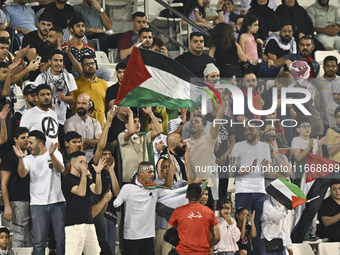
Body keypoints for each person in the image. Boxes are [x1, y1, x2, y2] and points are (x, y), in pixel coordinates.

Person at [13, 130, 66, 255]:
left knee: (61, 240)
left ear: (40, 144)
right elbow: (22, 173)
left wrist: (52, 155)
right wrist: (20, 158)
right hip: (37, 205)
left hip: (57, 202)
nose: (28, 145)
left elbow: (60, 170)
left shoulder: (56, 154)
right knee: (39, 241)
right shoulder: (28, 159)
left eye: (30, 143)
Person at [230, 121, 272, 254]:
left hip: (260, 192)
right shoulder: (238, 146)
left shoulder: (265, 147)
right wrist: (250, 168)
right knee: (241, 226)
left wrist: (265, 167)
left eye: (251, 129)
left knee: (258, 228)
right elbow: (233, 171)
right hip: (243, 192)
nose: (247, 132)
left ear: (259, 131)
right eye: (246, 129)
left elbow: (267, 170)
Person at [62, 150, 104, 254]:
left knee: (95, 252)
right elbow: (81, 192)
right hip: (74, 224)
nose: (84, 165)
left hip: (88, 221)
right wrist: (85, 175)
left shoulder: (85, 179)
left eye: (85, 162)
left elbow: (97, 191)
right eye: (81, 162)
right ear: (73, 164)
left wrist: (98, 173)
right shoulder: (67, 180)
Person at [34, 49, 77, 148]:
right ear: (50, 61)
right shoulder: (42, 77)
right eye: (55, 60)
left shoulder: (69, 77)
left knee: (61, 148)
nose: (58, 63)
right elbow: (36, 100)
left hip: (62, 120)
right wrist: (49, 98)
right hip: (45, 119)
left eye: (61, 61)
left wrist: (63, 98)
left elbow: (72, 99)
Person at [166, 183, 221, 255]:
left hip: (182, 252)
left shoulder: (178, 211)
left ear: (186, 195)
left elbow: (169, 232)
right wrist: (206, 246)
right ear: (200, 196)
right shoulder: (209, 212)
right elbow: (217, 237)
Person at [0, 127, 31, 247]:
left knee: (30, 235)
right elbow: (3, 183)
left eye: (28, 137)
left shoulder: (31, 155)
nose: (26, 140)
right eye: (23, 138)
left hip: (32, 200)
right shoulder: (9, 157)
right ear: (15, 139)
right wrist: (7, 206)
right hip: (17, 201)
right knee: (18, 235)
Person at [61, 13, 111, 82]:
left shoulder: (90, 49)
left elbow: (95, 68)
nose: (81, 28)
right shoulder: (64, 48)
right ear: (71, 29)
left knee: (105, 72)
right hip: (71, 78)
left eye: (83, 26)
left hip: (87, 75)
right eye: (78, 26)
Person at [119, 107, 163, 183]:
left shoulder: (144, 137)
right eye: (134, 122)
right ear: (127, 125)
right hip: (129, 180)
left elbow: (159, 130)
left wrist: (150, 113)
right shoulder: (121, 136)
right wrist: (130, 114)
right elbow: (131, 132)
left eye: (139, 121)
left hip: (144, 180)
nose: (137, 124)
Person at [64, 93, 102, 162]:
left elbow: (100, 143)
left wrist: (84, 140)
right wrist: (94, 143)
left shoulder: (95, 122)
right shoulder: (69, 122)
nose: (80, 106)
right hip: (77, 161)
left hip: (94, 160)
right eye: (78, 103)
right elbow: (74, 146)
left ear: (89, 105)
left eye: (84, 103)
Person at [20, 84, 59, 148]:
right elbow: (23, 137)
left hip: (54, 154)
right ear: (36, 97)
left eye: (48, 94)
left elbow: (55, 136)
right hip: (37, 155)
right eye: (42, 95)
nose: (46, 97)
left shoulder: (53, 114)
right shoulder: (28, 114)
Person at [74, 54, 109, 127]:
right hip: (81, 126)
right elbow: (73, 106)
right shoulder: (76, 84)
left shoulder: (103, 84)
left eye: (93, 63)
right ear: (82, 67)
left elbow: (107, 107)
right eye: (87, 64)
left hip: (100, 126)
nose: (91, 66)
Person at [21, 12, 53, 81]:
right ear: (38, 24)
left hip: (51, 76)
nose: (45, 27)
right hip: (33, 76)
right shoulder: (29, 37)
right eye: (43, 24)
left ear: (52, 27)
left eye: (49, 25)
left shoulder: (53, 39)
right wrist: (50, 58)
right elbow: (33, 59)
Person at [312, 56, 339, 129]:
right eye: (328, 66)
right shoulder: (314, 83)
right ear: (323, 67)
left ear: (337, 67)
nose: (330, 69)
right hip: (321, 122)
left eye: (333, 66)